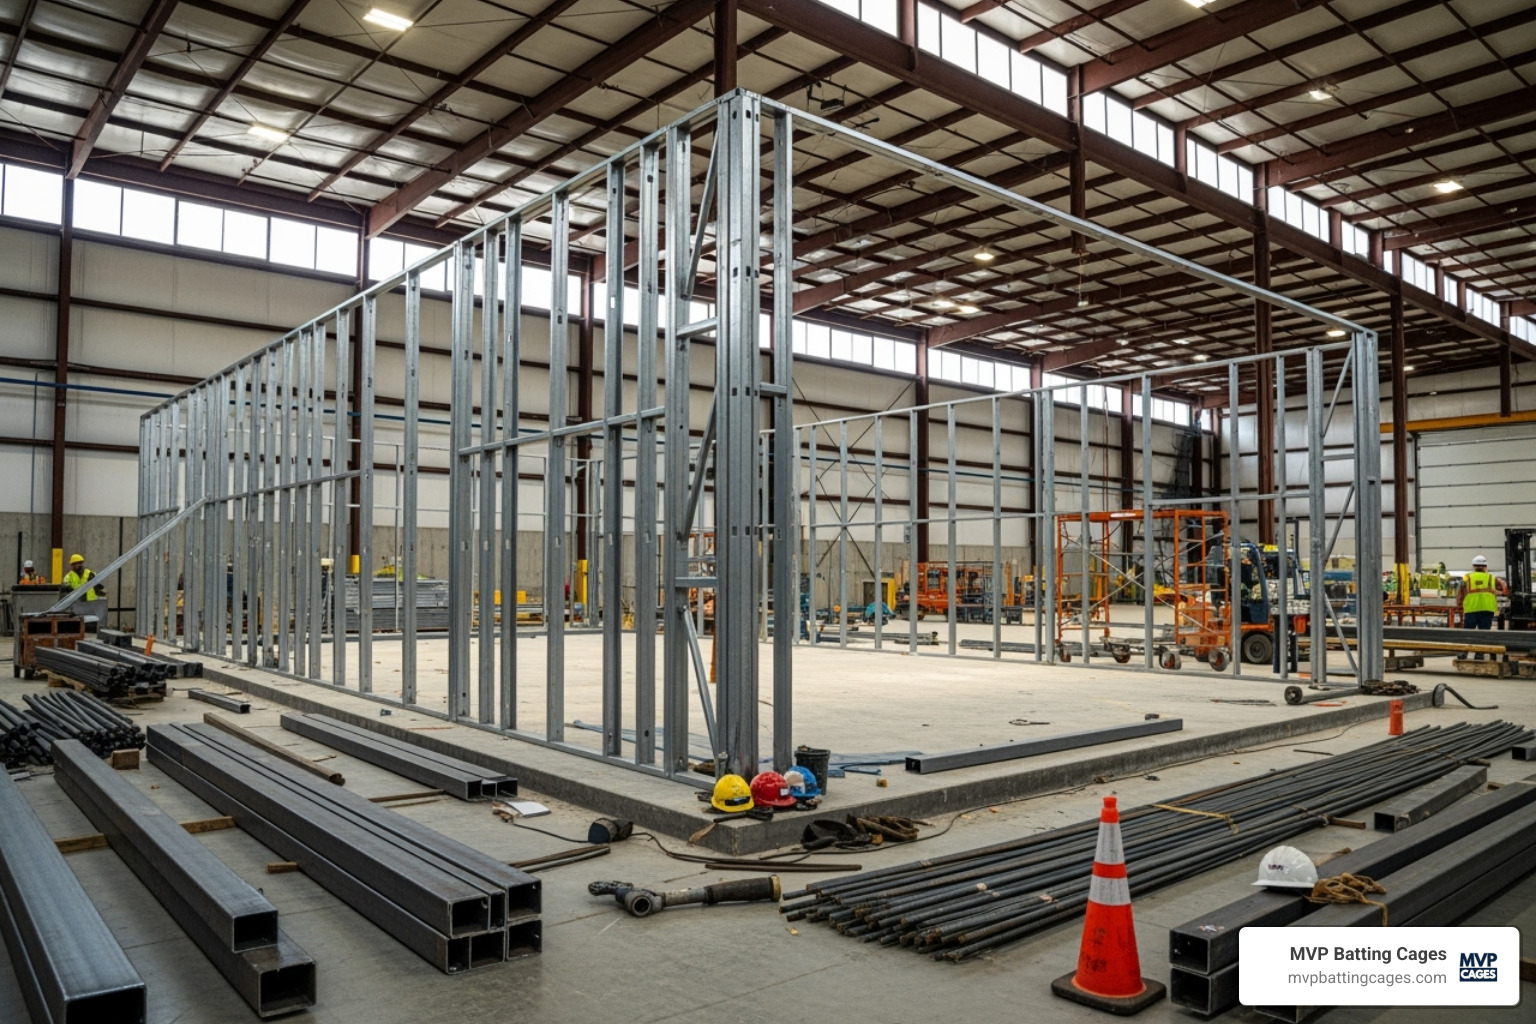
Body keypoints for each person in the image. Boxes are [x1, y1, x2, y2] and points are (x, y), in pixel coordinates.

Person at [1460, 555, 1507, 660]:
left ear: (1473, 566)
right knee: (1483, 633)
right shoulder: (1492, 578)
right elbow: (1504, 590)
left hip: (1471, 609)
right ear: (1485, 566)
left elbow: (1460, 592)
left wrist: (1459, 606)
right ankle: (1479, 654)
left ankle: (1463, 653)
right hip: (1487, 609)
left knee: (1467, 633)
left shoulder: (1467, 577)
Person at [62, 554, 106, 625]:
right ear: (72, 565)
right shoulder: (69, 575)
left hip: (91, 603)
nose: (79, 565)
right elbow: (65, 584)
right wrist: (68, 588)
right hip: (77, 604)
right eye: (76, 564)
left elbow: (97, 585)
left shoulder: (89, 574)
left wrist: (98, 587)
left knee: (90, 624)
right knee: (79, 624)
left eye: (80, 563)